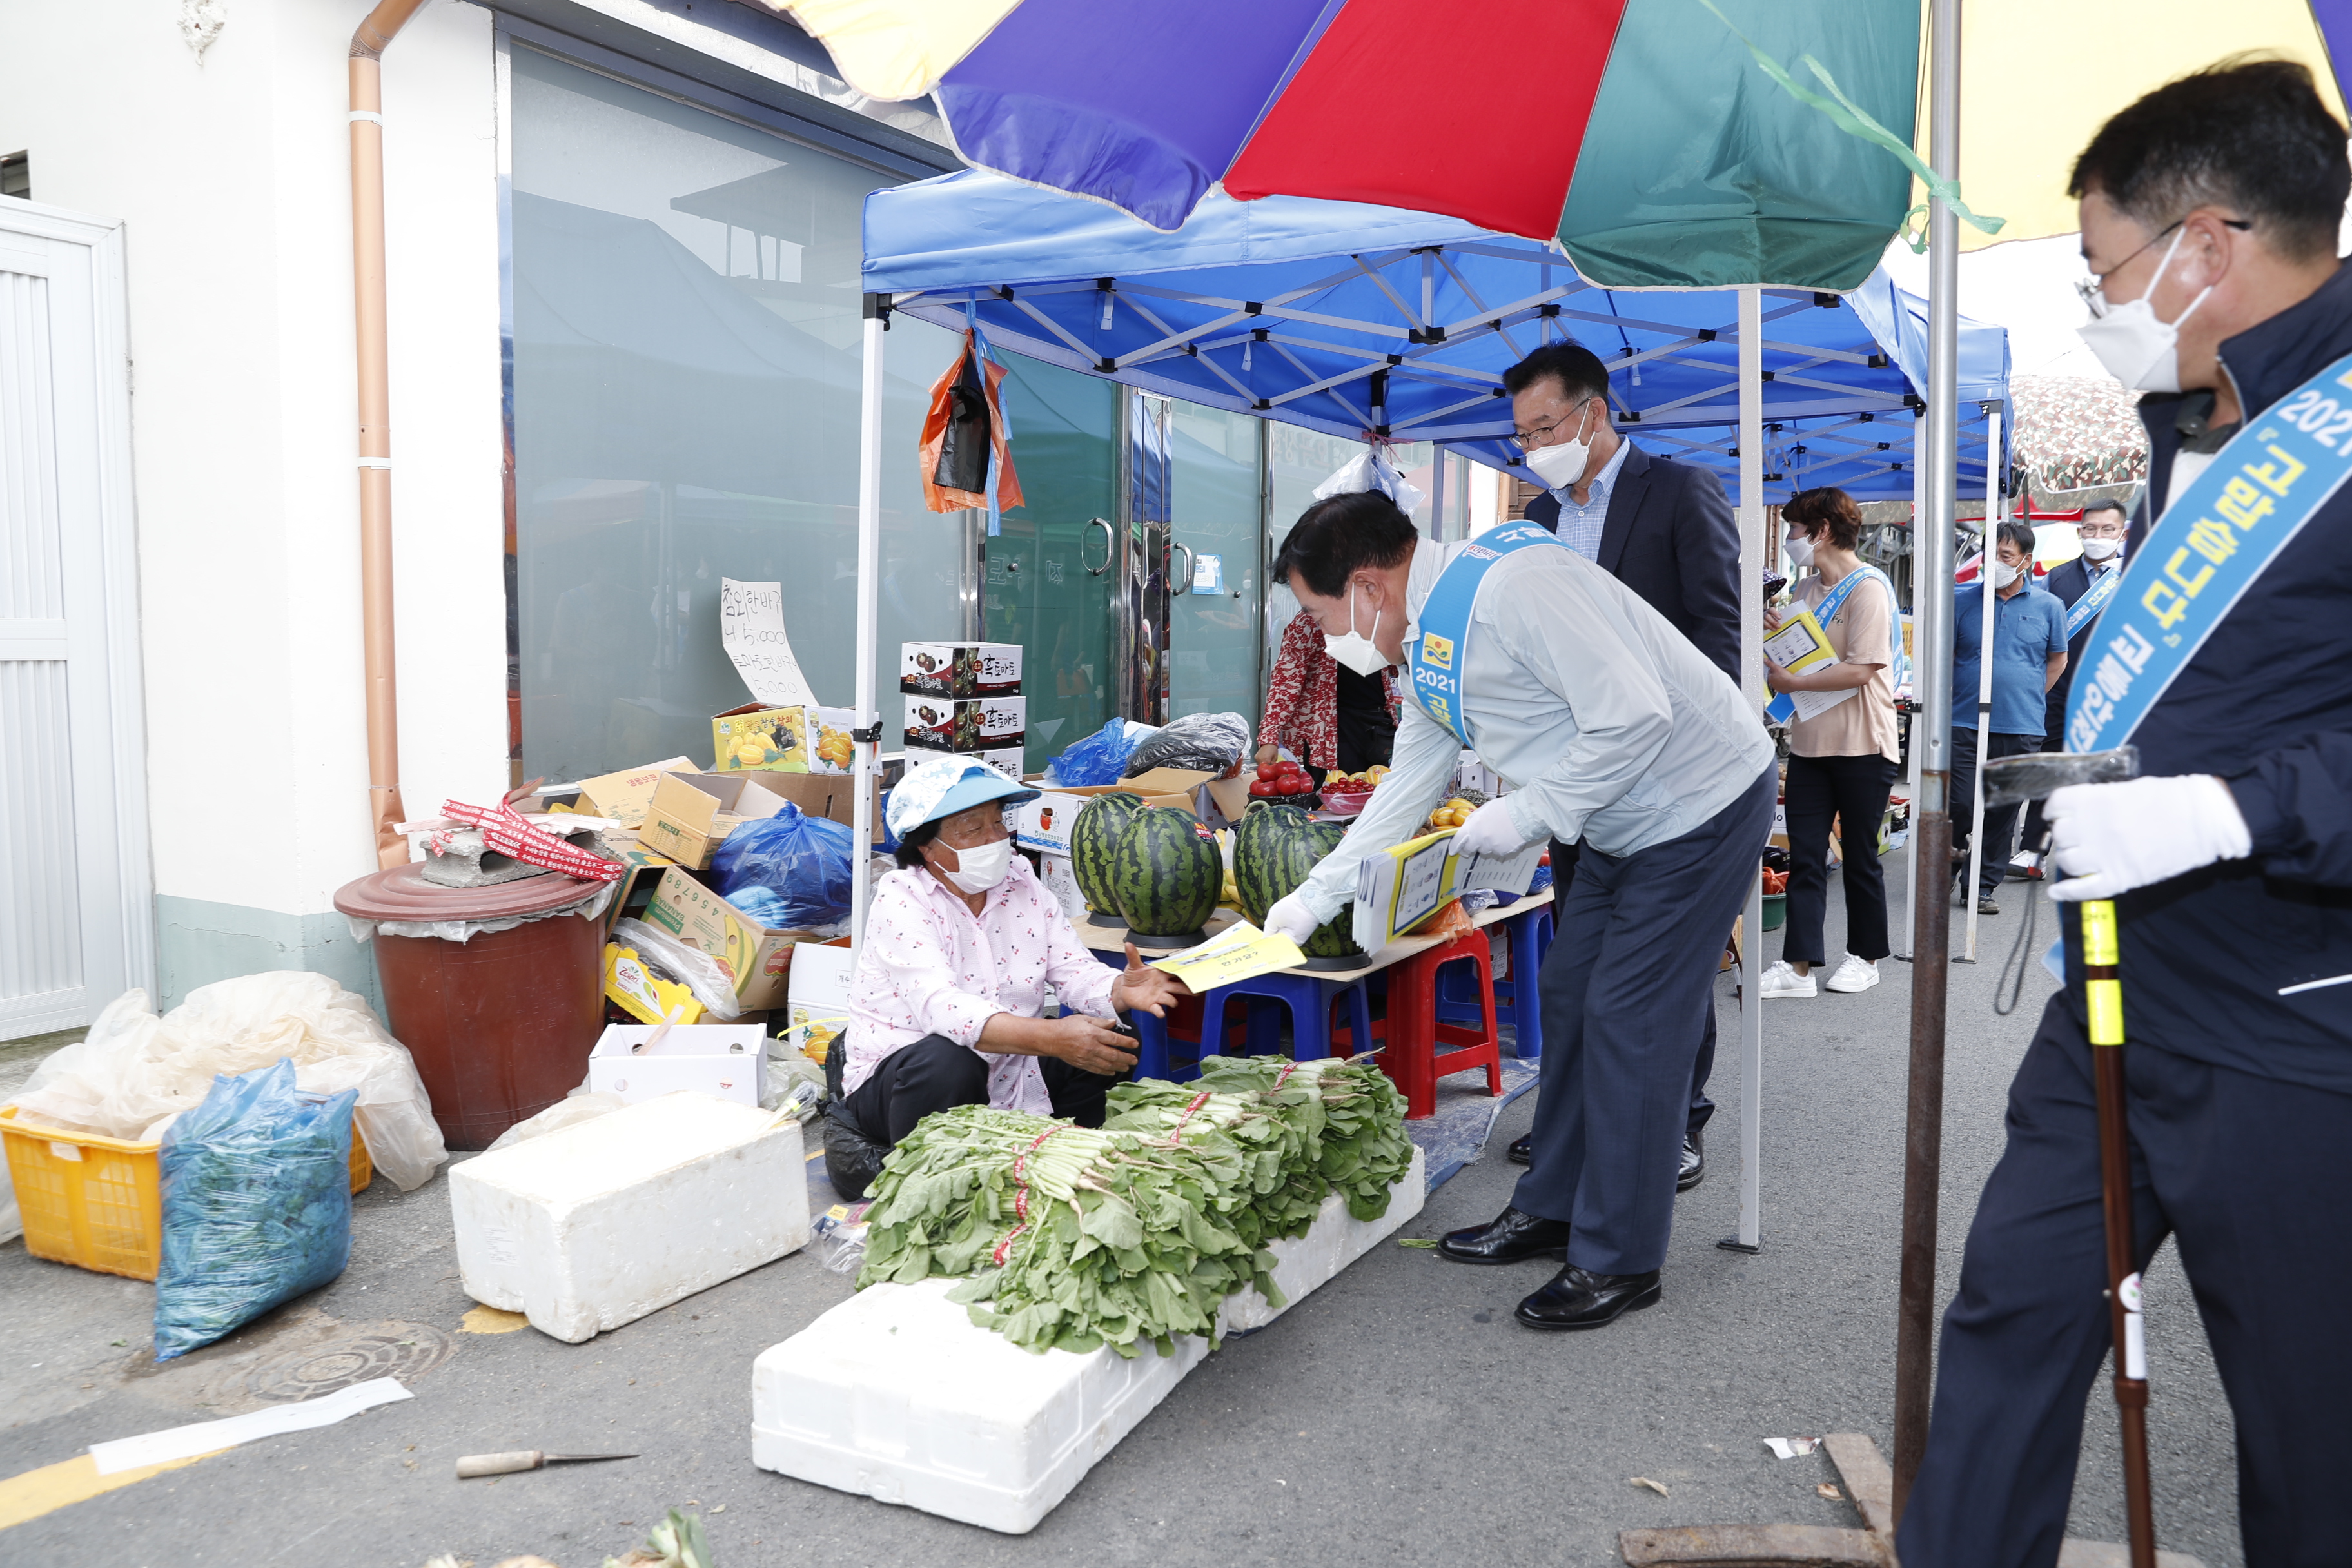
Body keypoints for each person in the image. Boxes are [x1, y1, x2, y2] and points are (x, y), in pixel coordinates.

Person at [1897, 60, 2352, 1568]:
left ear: (2206, 246)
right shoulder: (2185, 412)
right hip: (2108, 992)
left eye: (2104, 270)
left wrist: (2226, 810)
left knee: (2309, 1432)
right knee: (2010, 1324)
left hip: (2296, 1028)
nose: (2096, 306)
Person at [1260, 489, 1774, 1332]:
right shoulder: (1429, 646)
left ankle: (1622, 1257)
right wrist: (1313, 896)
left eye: (1320, 614)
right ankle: (1555, 1206)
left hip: (1699, 801)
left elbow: (1637, 714)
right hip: (1613, 818)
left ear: (1367, 588)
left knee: (1631, 1018)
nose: (1324, 637)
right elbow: (1403, 795)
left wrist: (1526, 815)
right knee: (1570, 996)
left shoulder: (1515, 587)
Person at [1509, 342, 1743, 1188]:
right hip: (1577, 783)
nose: (1535, 446)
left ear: (1592, 415)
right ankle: (1569, 1121)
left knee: (1671, 968)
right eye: (1523, 434)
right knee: (1579, 967)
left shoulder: (1680, 494)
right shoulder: (1535, 520)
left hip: (1669, 785)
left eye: (1546, 427)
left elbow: (1722, 639)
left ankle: (1682, 1118)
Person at [828, 756, 1190, 1195]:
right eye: (973, 828)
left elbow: (1071, 968)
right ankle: (931, 1188)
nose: (995, 838)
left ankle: (1062, 1161)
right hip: (903, 1079)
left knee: (1110, 1037)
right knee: (949, 1062)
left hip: (1010, 1067)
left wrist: (1118, 989)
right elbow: (942, 1008)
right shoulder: (902, 899)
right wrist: (1052, 1038)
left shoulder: (1021, 880)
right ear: (926, 846)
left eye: (998, 823)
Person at [1757, 487, 1903, 999]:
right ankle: (1798, 967)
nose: (1791, 540)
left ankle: (1864, 957)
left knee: (1861, 856)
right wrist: (1775, 643)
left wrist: (1793, 683)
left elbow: (1862, 670)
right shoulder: (1803, 594)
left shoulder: (1868, 590)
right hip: (1810, 746)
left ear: (1820, 531)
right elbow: (1797, 665)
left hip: (1865, 744)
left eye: (1795, 530)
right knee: (1806, 858)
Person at [1946, 518, 2068, 915]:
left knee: (2002, 811)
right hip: (1964, 721)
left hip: (2022, 725)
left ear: (2025, 561)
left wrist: (2029, 695)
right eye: (1991, 554)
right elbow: (1946, 659)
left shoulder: (2050, 607)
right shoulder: (1962, 601)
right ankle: (1951, 858)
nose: (1995, 563)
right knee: (1961, 802)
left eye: (2005, 556)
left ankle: (1980, 887)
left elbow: (2057, 660)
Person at [2017, 498, 2129, 865]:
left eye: (2107, 529)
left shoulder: (2136, 577)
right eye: (2091, 529)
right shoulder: (2054, 577)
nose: (2098, 536)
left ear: (2122, 533)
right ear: (2080, 533)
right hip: (2061, 687)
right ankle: (2034, 850)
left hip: (2115, 690)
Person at [1255, 606, 1400, 780]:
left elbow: (1394, 665)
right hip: (1332, 729)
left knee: (1378, 791)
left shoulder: (1376, 613)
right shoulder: (1312, 618)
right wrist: (1269, 738)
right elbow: (1286, 680)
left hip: (1378, 723)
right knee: (1337, 797)